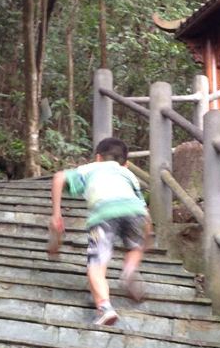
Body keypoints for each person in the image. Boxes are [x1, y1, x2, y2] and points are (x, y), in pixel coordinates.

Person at [49, 136, 153, 327]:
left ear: (98, 157)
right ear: (126, 163)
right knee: (135, 248)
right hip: (135, 212)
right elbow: (144, 209)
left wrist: (57, 214)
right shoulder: (127, 174)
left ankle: (105, 307)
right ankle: (129, 271)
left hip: (105, 214)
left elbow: (59, 178)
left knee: (96, 266)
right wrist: (148, 231)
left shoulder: (91, 168)